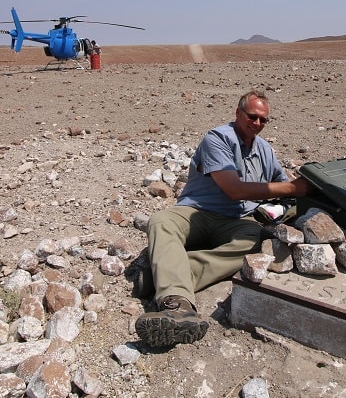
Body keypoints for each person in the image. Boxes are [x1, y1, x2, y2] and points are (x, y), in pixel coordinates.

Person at [134, 90, 312, 347]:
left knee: (254, 241)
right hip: (198, 212)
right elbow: (235, 189)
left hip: (238, 220)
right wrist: (295, 188)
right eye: (253, 116)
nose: (258, 124)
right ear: (238, 113)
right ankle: (179, 305)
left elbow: (282, 187)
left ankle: (161, 276)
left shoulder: (264, 149)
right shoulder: (217, 139)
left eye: (264, 120)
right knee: (162, 221)